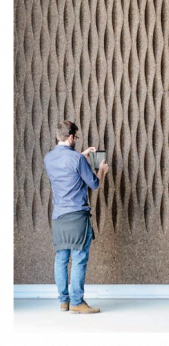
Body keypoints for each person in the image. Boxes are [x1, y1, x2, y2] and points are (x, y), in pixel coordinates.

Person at [44, 120, 109, 314]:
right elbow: (94, 184)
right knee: (79, 258)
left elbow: (67, 166)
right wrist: (101, 170)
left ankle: (64, 302)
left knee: (61, 258)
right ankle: (77, 302)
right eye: (76, 137)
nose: (76, 140)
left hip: (58, 216)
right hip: (77, 216)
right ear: (71, 136)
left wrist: (82, 155)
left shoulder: (49, 158)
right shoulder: (77, 160)